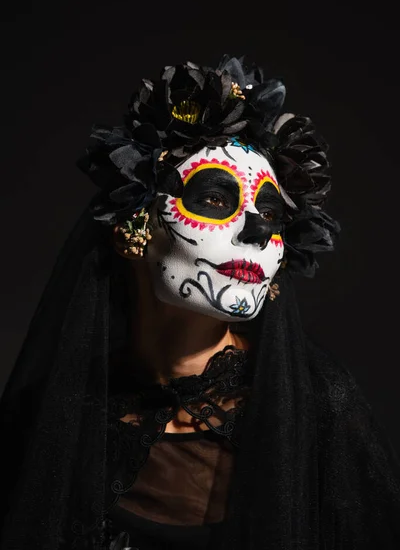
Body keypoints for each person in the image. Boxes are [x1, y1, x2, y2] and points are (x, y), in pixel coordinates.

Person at [1, 56, 399, 550]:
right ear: (136, 229)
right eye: (214, 199)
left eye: (271, 212)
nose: (257, 230)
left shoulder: (318, 406)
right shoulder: (63, 415)